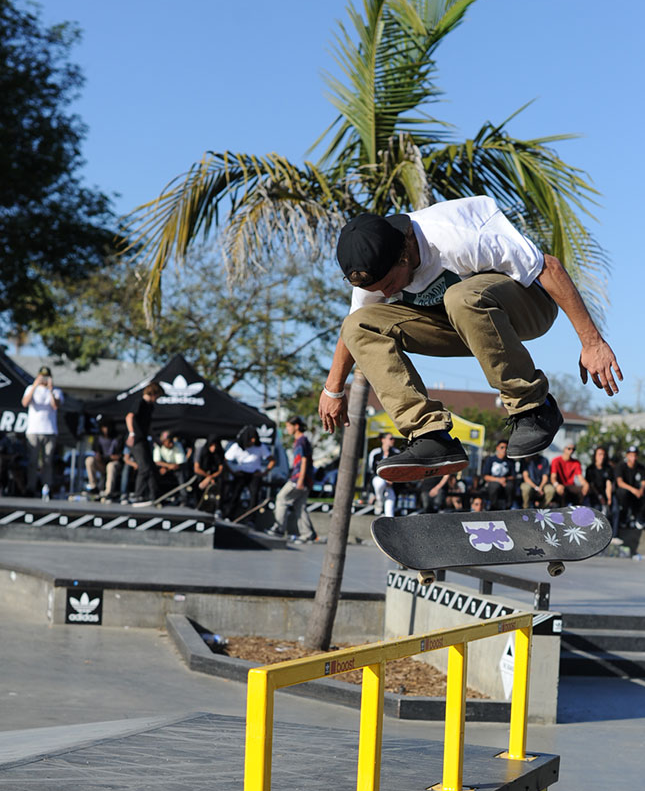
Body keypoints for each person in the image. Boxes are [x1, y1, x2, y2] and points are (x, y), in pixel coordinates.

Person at [319, 196, 622, 481]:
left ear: (405, 253)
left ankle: (534, 407)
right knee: (358, 323)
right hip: (464, 326)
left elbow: (549, 267)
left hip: (529, 306)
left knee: (460, 296)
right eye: (378, 290)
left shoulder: (454, 237)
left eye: (389, 284)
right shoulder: (374, 276)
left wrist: (592, 343)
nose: (386, 294)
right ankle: (430, 436)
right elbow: (353, 331)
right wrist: (332, 391)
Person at [268, 415, 316, 543]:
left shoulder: (301, 441)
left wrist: (300, 479)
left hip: (298, 478)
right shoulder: (299, 441)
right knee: (300, 506)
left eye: (289, 426)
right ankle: (307, 534)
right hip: (305, 479)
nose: (287, 429)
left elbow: (304, 460)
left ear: (296, 426)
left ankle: (279, 528)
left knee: (281, 498)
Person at [21, 364, 63, 497]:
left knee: (47, 461)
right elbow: (25, 403)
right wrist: (34, 385)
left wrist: (50, 389)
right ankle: (31, 488)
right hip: (33, 430)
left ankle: (47, 488)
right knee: (33, 461)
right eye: (42, 377)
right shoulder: (30, 388)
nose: (44, 379)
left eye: (46, 377)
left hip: (50, 430)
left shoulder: (56, 391)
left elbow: (55, 406)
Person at [124, 381, 162, 506]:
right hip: (135, 439)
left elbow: (147, 425)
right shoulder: (139, 402)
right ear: (153, 393)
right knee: (144, 468)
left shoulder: (150, 406)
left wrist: (156, 439)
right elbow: (129, 417)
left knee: (151, 468)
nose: (157, 399)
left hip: (143, 438)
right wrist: (131, 433)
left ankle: (153, 495)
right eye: (157, 396)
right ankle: (138, 495)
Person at [224, 425, 274, 519]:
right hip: (241, 473)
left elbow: (272, 460)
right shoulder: (237, 447)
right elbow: (225, 460)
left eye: (254, 438)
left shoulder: (260, 447)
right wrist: (232, 472)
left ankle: (251, 519)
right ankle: (229, 515)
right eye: (251, 439)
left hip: (254, 474)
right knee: (235, 494)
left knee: (254, 496)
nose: (253, 441)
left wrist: (264, 472)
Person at [87, 420, 124, 500]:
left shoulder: (118, 437)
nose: (106, 429)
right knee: (89, 460)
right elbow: (97, 454)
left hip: (114, 465)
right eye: (104, 427)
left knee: (111, 466)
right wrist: (105, 457)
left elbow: (118, 456)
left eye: (107, 427)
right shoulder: (98, 438)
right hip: (102, 464)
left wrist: (107, 457)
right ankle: (93, 487)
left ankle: (108, 492)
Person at [152, 430, 192, 504]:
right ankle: (155, 496)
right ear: (163, 442)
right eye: (168, 441)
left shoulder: (177, 445)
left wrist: (167, 467)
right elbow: (157, 461)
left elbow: (179, 463)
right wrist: (167, 466)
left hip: (176, 468)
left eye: (171, 441)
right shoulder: (158, 446)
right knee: (153, 474)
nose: (171, 443)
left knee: (181, 474)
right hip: (164, 467)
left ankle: (184, 498)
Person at [368, 433, 399, 517]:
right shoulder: (375, 453)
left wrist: (392, 480)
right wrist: (372, 493)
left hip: (390, 486)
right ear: (383, 440)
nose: (393, 440)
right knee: (380, 482)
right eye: (391, 438)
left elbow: (398, 470)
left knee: (389, 512)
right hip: (378, 481)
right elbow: (372, 470)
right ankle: (379, 500)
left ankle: (388, 528)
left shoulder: (396, 453)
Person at [480, 439, 516, 509]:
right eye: (502, 447)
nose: (504, 450)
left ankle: (508, 508)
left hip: (506, 483)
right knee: (495, 486)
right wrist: (498, 480)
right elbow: (485, 476)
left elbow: (513, 476)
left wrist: (504, 479)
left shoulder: (511, 461)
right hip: (493, 483)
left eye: (506, 448)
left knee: (510, 486)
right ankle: (493, 508)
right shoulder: (490, 459)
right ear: (497, 448)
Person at [193, 434, 225, 512]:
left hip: (214, 475)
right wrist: (208, 477)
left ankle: (217, 508)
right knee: (198, 484)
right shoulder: (201, 450)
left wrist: (212, 477)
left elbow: (221, 469)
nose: (213, 448)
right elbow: (196, 469)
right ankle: (198, 506)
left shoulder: (219, 452)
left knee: (221, 484)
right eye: (212, 445)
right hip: (203, 474)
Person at [584, 445, 615, 518]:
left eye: (603, 454)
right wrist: (600, 496)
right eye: (600, 454)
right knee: (596, 509)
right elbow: (591, 485)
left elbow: (609, 483)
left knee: (615, 509)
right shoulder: (590, 469)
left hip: (606, 493)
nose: (602, 456)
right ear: (595, 456)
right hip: (594, 494)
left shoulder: (608, 468)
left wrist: (609, 498)